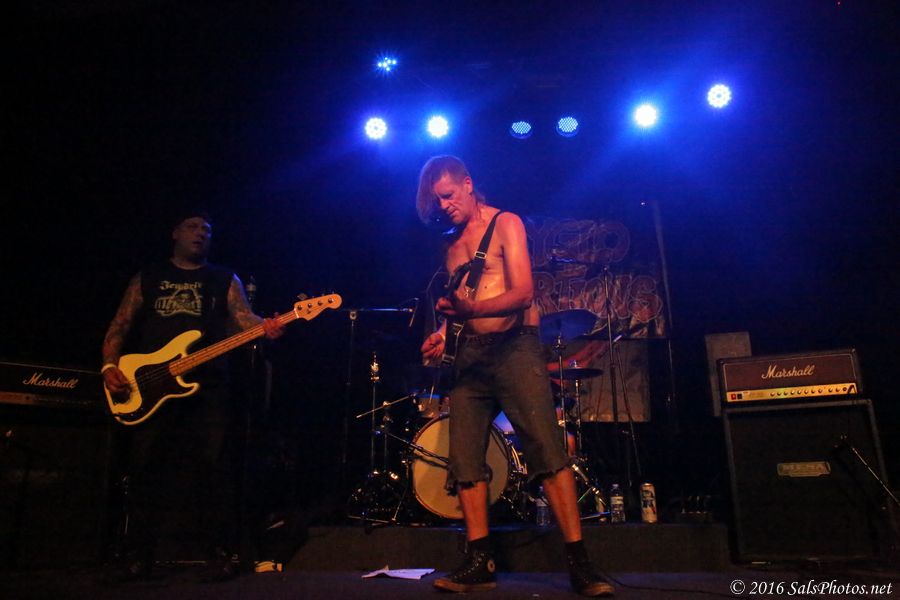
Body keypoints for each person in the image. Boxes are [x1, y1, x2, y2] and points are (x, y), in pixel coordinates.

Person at [416, 156, 615, 596]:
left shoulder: (506, 222)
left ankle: (580, 564)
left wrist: (471, 310)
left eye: (448, 195)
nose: (444, 205)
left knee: (547, 450)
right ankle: (479, 561)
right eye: (437, 201)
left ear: (468, 184)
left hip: (515, 348)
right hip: (470, 355)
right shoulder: (449, 245)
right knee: (464, 459)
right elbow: (460, 304)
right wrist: (442, 333)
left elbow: (523, 292)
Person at [101, 210, 284, 581]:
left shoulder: (223, 279)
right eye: (192, 226)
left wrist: (270, 326)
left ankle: (220, 554)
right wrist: (109, 366)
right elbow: (120, 324)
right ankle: (137, 556)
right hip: (149, 384)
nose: (200, 233)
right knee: (145, 469)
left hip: (209, 385)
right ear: (175, 233)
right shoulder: (149, 276)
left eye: (207, 229)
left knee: (214, 470)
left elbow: (244, 321)